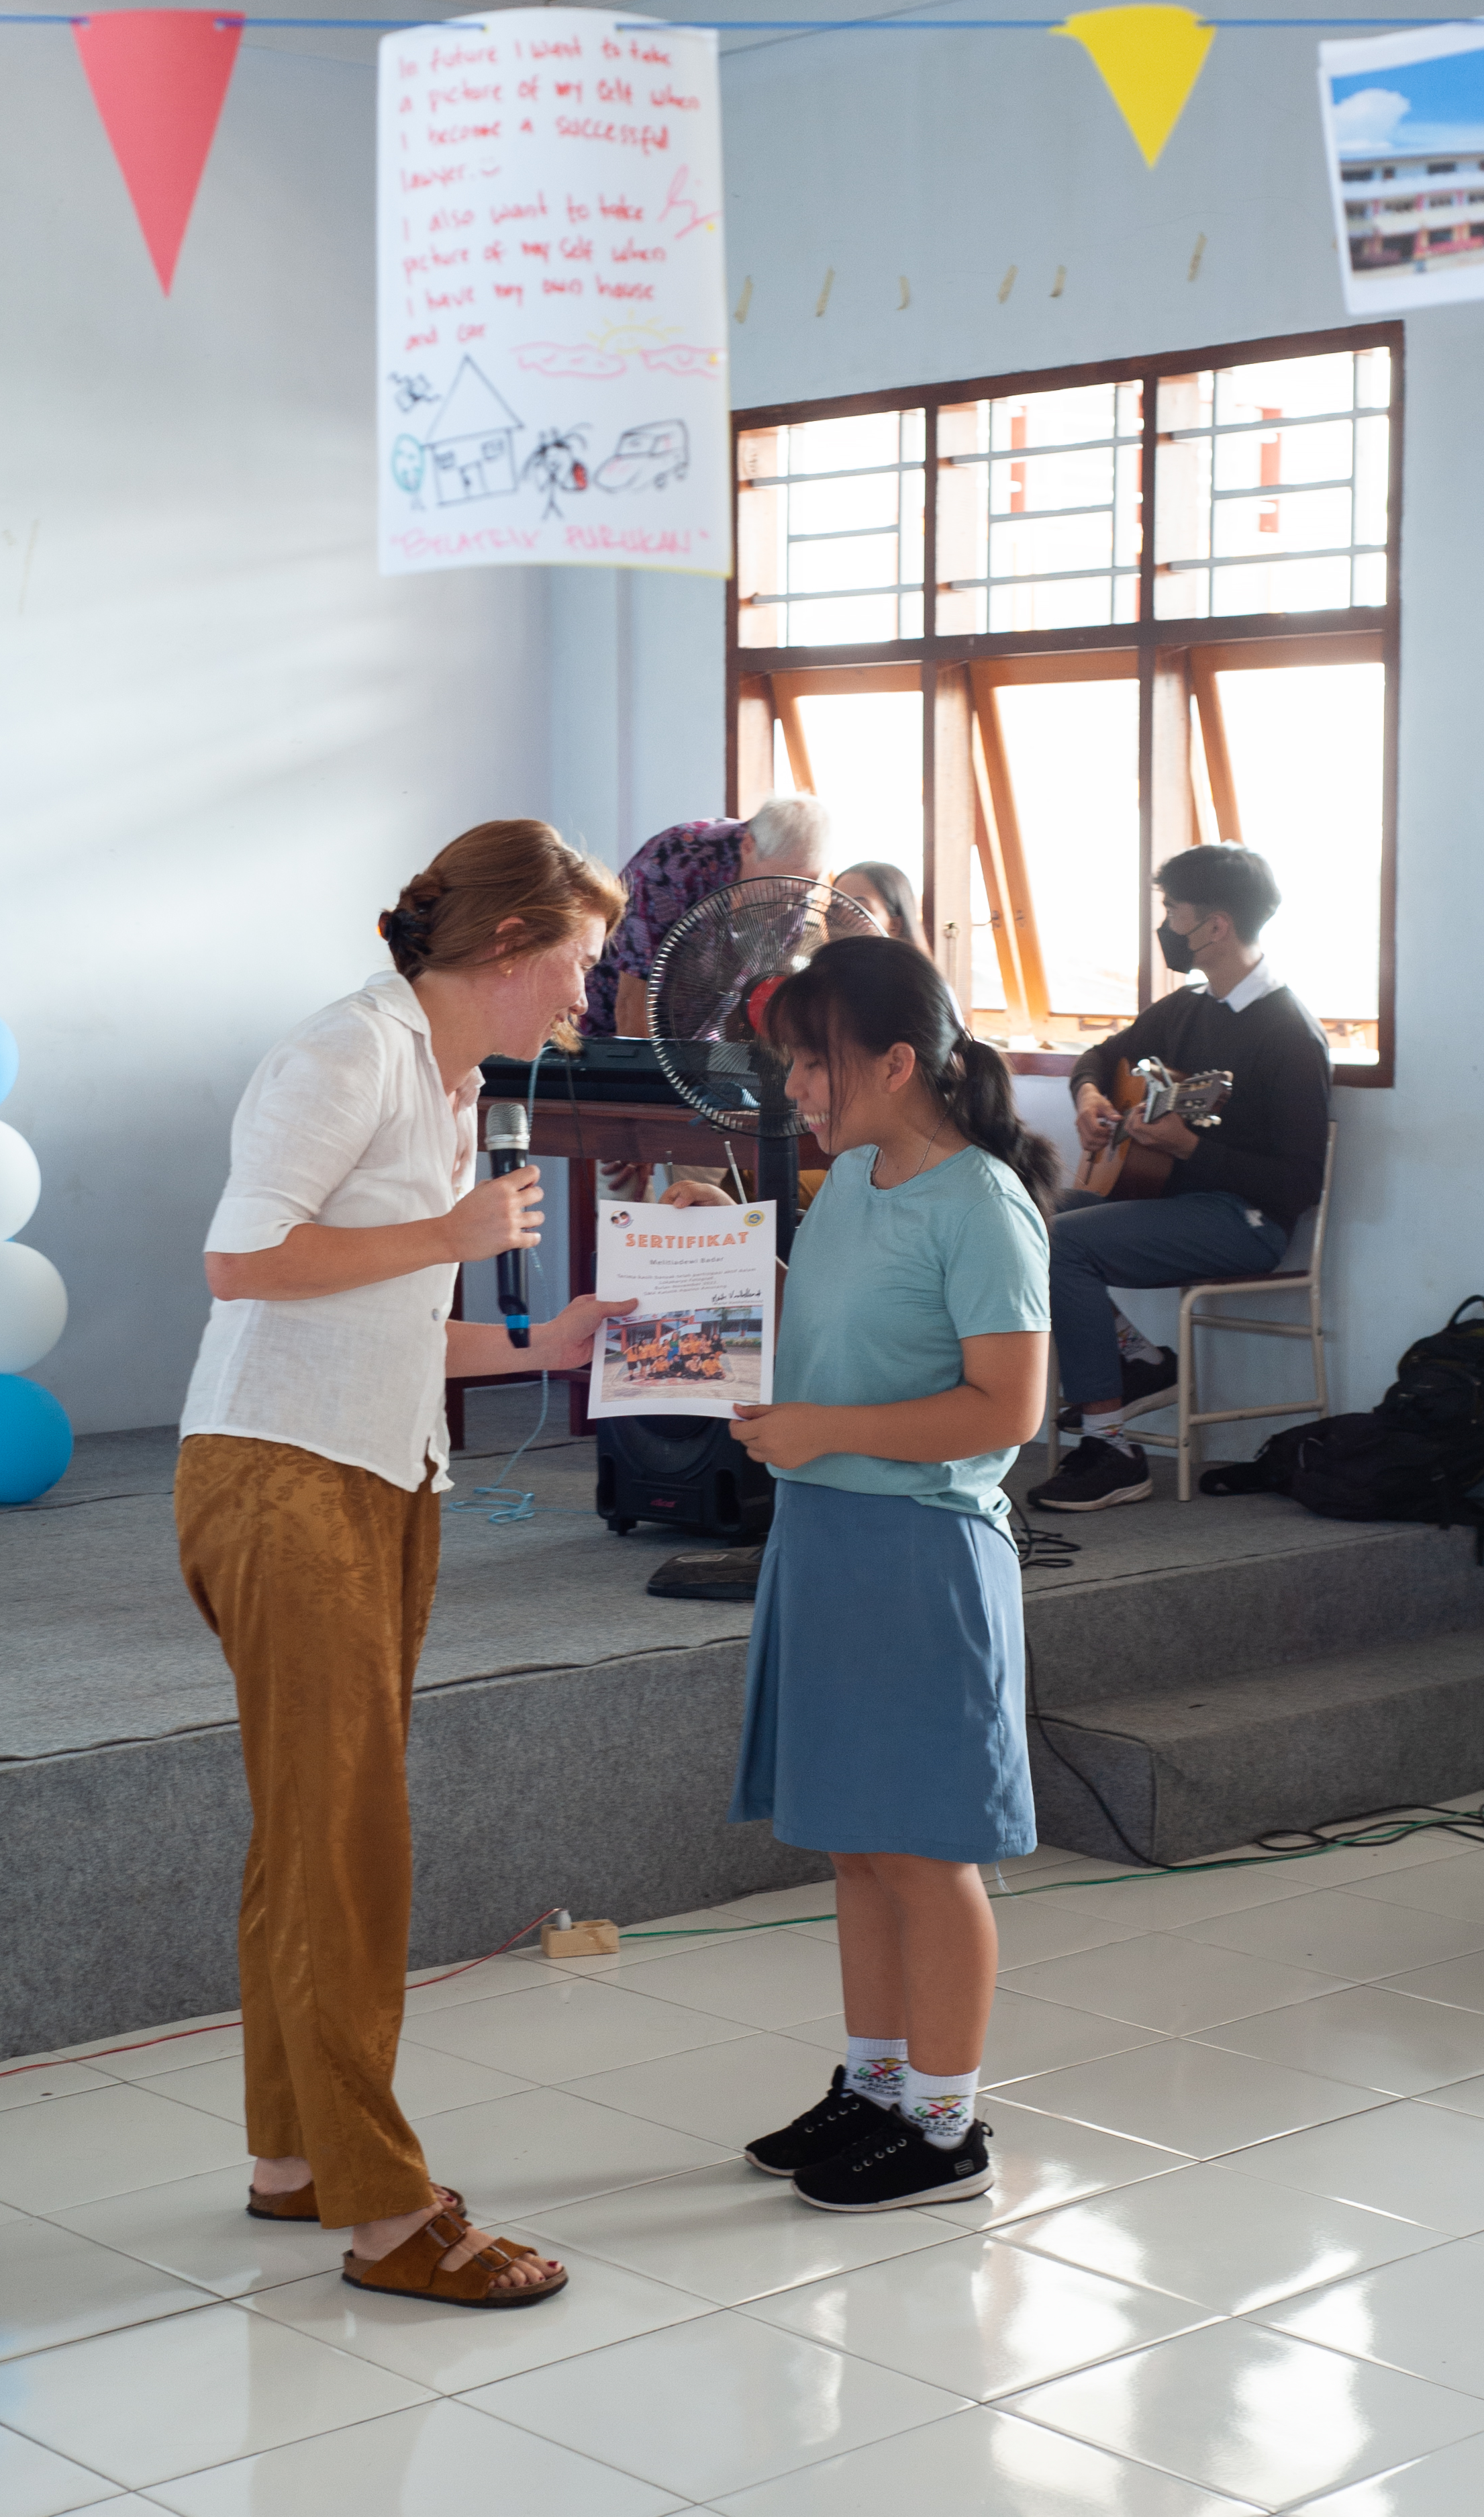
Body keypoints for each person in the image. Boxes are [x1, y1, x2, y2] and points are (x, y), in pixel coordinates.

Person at [175, 820, 633, 2311]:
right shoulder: (349, 1051)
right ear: (507, 944)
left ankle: (294, 2154)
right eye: (577, 962)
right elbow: (244, 1261)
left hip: (376, 1468)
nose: (586, 995)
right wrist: (449, 1226)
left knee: (309, 1834)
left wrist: (546, 1341)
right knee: (349, 1844)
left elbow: (390, 1319)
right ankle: (384, 2213)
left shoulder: (453, 1080)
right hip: (282, 1474)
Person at [662, 936, 1054, 2212]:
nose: (793, 1091)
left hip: (921, 1553)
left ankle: (944, 2127)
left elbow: (1006, 1407)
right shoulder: (848, 1182)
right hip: (825, 1537)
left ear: (896, 1062)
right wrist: (724, 1257)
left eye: (811, 1064)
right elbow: (831, 1325)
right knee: (852, 1842)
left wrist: (825, 1429)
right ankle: (877, 2085)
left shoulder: (982, 1202)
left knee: (923, 1850)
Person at [1030, 841, 1331, 1515]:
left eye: (1173, 911)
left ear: (1216, 925)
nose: (1165, 924)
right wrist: (1089, 1096)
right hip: (1167, 1199)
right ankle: (1139, 1361)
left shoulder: (1289, 1034)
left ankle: (1112, 1449)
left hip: (1246, 1222)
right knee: (1021, 1216)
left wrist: (1188, 1146)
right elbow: (1102, 1054)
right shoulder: (1189, 1007)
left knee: (1062, 1244)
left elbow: (1298, 1183)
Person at [582, 791, 832, 1039]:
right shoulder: (676, 861)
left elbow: (754, 999)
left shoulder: (794, 890)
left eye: (804, 893)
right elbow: (631, 1001)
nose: (789, 906)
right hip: (610, 1024)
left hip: (698, 1037)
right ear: (748, 847)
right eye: (780, 888)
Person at [831, 859, 932, 954]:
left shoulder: (907, 968)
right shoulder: (825, 965)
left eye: (859, 910)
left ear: (895, 925)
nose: (841, 919)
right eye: (835, 907)